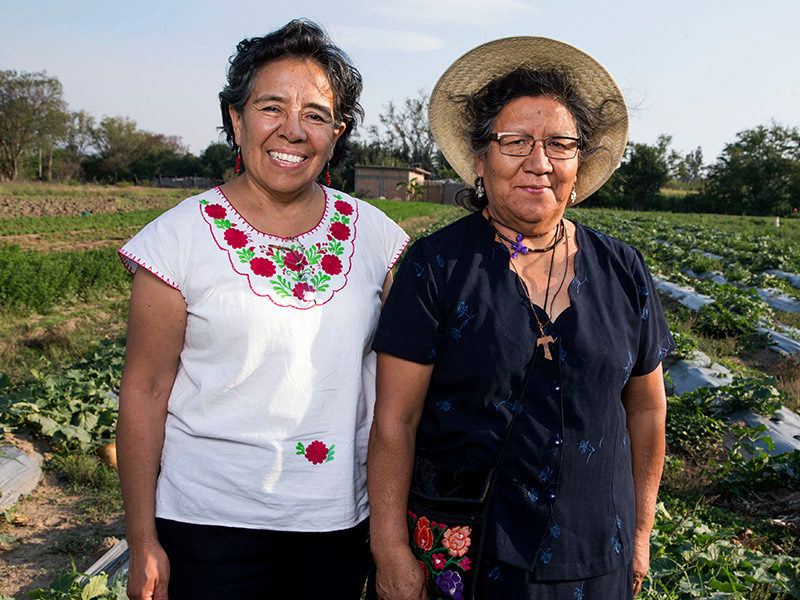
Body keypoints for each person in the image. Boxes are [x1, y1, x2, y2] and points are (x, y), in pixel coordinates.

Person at [368, 37, 674, 600]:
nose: (539, 163)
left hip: (595, 552)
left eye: (559, 144)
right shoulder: (436, 266)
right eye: (515, 142)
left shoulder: (622, 268)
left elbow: (648, 406)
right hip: (465, 552)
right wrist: (389, 549)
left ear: (579, 165)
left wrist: (641, 531)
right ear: (480, 161)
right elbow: (395, 422)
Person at [116, 19, 408, 600]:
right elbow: (144, 389)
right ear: (236, 118)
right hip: (207, 523)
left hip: (335, 520)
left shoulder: (377, 237)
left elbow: (402, 391)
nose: (293, 130)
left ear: (337, 132)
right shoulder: (176, 241)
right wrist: (143, 538)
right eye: (271, 107)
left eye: (317, 115)